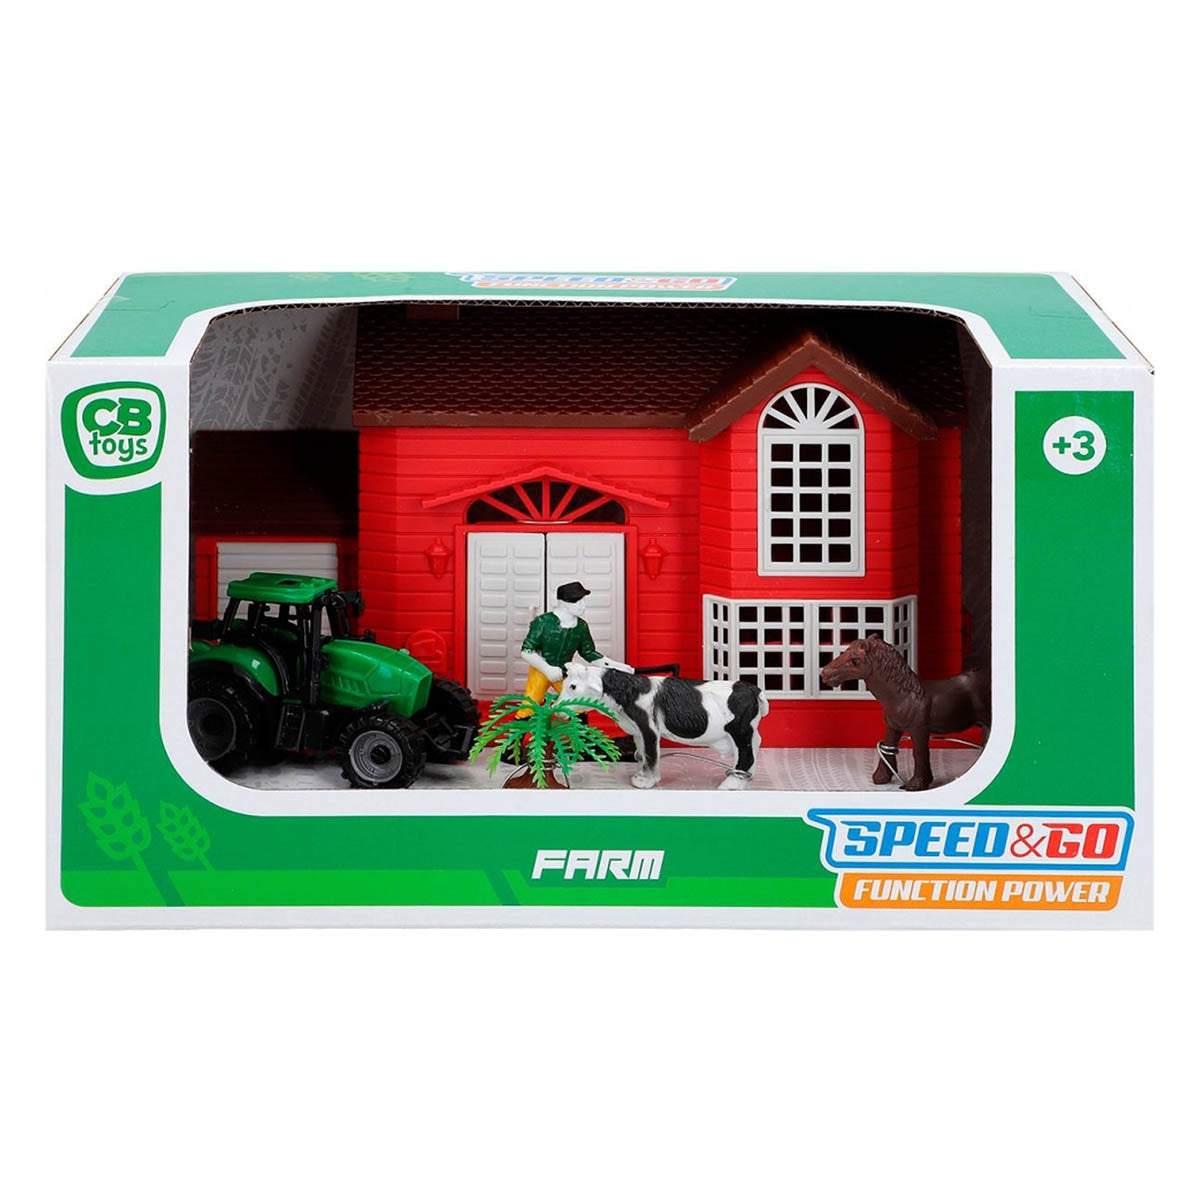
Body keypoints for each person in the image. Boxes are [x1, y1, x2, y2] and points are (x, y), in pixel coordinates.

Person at [518, 581, 630, 710]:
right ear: (564, 604)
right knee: (529, 705)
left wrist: (616, 666)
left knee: (576, 706)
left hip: (564, 673)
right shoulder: (543, 622)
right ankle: (522, 722)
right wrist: (547, 669)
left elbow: (588, 652)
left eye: (583, 601)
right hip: (540, 671)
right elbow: (526, 651)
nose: (583, 606)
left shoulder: (581, 626)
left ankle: (573, 723)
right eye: (578, 602)